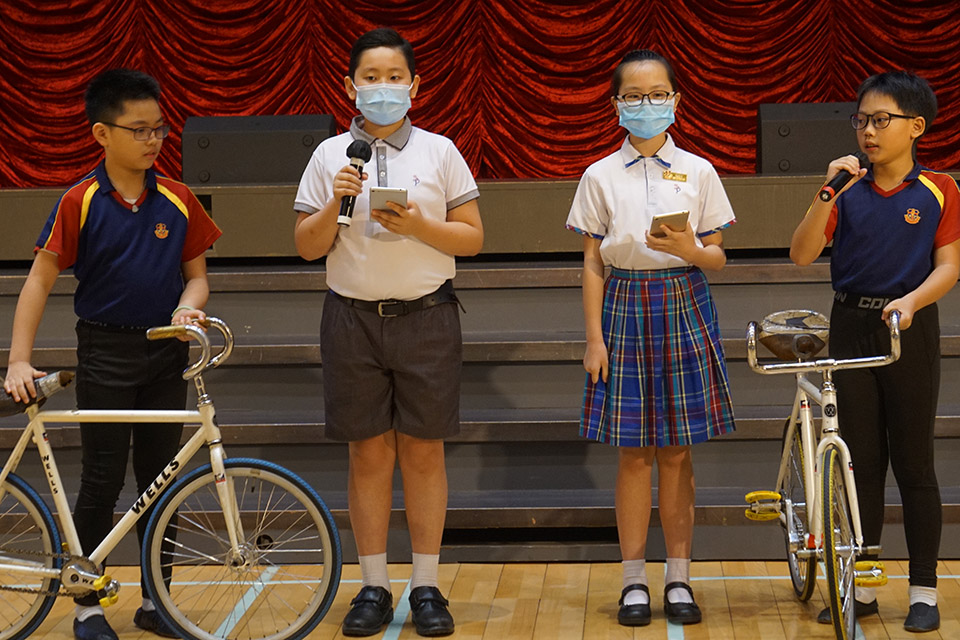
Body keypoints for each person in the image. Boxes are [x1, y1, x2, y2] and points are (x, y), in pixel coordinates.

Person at [3, 68, 221, 640]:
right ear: (102, 133)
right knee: (101, 479)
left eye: (159, 129)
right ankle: (87, 607)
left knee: (161, 482)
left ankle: (157, 602)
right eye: (139, 129)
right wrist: (18, 359)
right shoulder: (80, 200)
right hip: (104, 351)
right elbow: (38, 281)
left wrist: (187, 309)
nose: (153, 140)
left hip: (165, 352)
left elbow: (197, 278)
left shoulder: (178, 198)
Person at [293, 27, 482, 638]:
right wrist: (336, 202)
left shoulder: (440, 151)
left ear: (414, 85)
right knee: (368, 454)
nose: (382, 88)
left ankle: (426, 585)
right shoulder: (330, 156)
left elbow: (473, 238)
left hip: (427, 316)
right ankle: (372, 585)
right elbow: (306, 246)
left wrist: (420, 225)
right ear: (350, 85)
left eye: (393, 77)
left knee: (424, 452)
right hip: (351, 318)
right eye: (370, 78)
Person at [565, 49, 736, 627]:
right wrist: (594, 339)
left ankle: (679, 577)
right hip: (624, 306)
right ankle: (634, 579)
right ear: (616, 104)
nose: (647, 104)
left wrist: (692, 249)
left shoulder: (700, 170)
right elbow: (592, 262)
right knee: (634, 453)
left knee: (678, 452)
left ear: (676, 101)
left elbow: (718, 257)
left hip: (685, 299)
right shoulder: (599, 175)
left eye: (658, 94)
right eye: (634, 96)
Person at [791, 71, 960, 633]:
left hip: (909, 326)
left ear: (916, 126)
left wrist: (910, 302)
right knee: (859, 461)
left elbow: (949, 267)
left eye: (881, 120)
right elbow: (801, 254)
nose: (867, 130)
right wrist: (826, 192)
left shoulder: (940, 188)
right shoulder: (845, 190)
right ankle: (861, 584)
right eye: (861, 120)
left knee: (914, 463)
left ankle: (924, 591)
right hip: (850, 324)